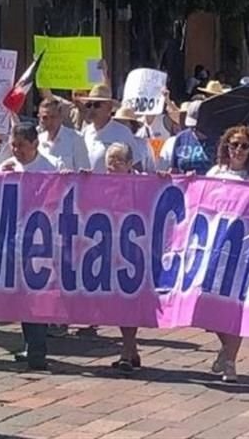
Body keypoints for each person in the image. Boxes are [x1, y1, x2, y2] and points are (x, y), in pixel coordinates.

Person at [0, 123, 63, 370]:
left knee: (36, 293)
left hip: (41, 240)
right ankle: (30, 344)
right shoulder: (8, 165)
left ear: (35, 144)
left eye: (22, 146)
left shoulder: (50, 167)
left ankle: (38, 349)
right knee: (22, 296)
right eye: (13, 145)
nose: (17, 151)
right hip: (15, 239)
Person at [203, 126, 249, 382]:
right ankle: (226, 349)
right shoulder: (214, 173)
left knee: (236, 307)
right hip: (215, 247)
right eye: (233, 144)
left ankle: (230, 362)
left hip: (244, 249)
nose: (238, 150)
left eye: (244, 145)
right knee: (208, 305)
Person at [105, 143, 144, 374]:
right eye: (110, 158)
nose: (113, 164)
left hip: (135, 249)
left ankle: (126, 353)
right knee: (119, 301)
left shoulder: (142, 184)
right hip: (109, 247)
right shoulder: (99, 183)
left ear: (130, 164)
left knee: (129, 299)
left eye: (119, 159)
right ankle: (132, 348)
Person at [78, 85, 142, 172]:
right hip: (88, 185)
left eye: (97, 105)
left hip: (114, 185)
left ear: (109, 108)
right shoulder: (85, 132)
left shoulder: (122, 132)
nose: (92, 109)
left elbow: (137, 166)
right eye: (89, 105)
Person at [37, 97, 91, 172]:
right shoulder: (38, 140)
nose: (49, 121)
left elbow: (84, 172)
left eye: (53, 117)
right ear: (39, 118)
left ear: (60, 117)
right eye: (45, 118)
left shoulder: (75, 139)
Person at [112, 107, 156, 173]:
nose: (121, 127)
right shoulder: (111, 143)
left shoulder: (143, 144)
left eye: (124, 123)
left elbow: (151, 170)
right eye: (118, 123)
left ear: (132, 125)